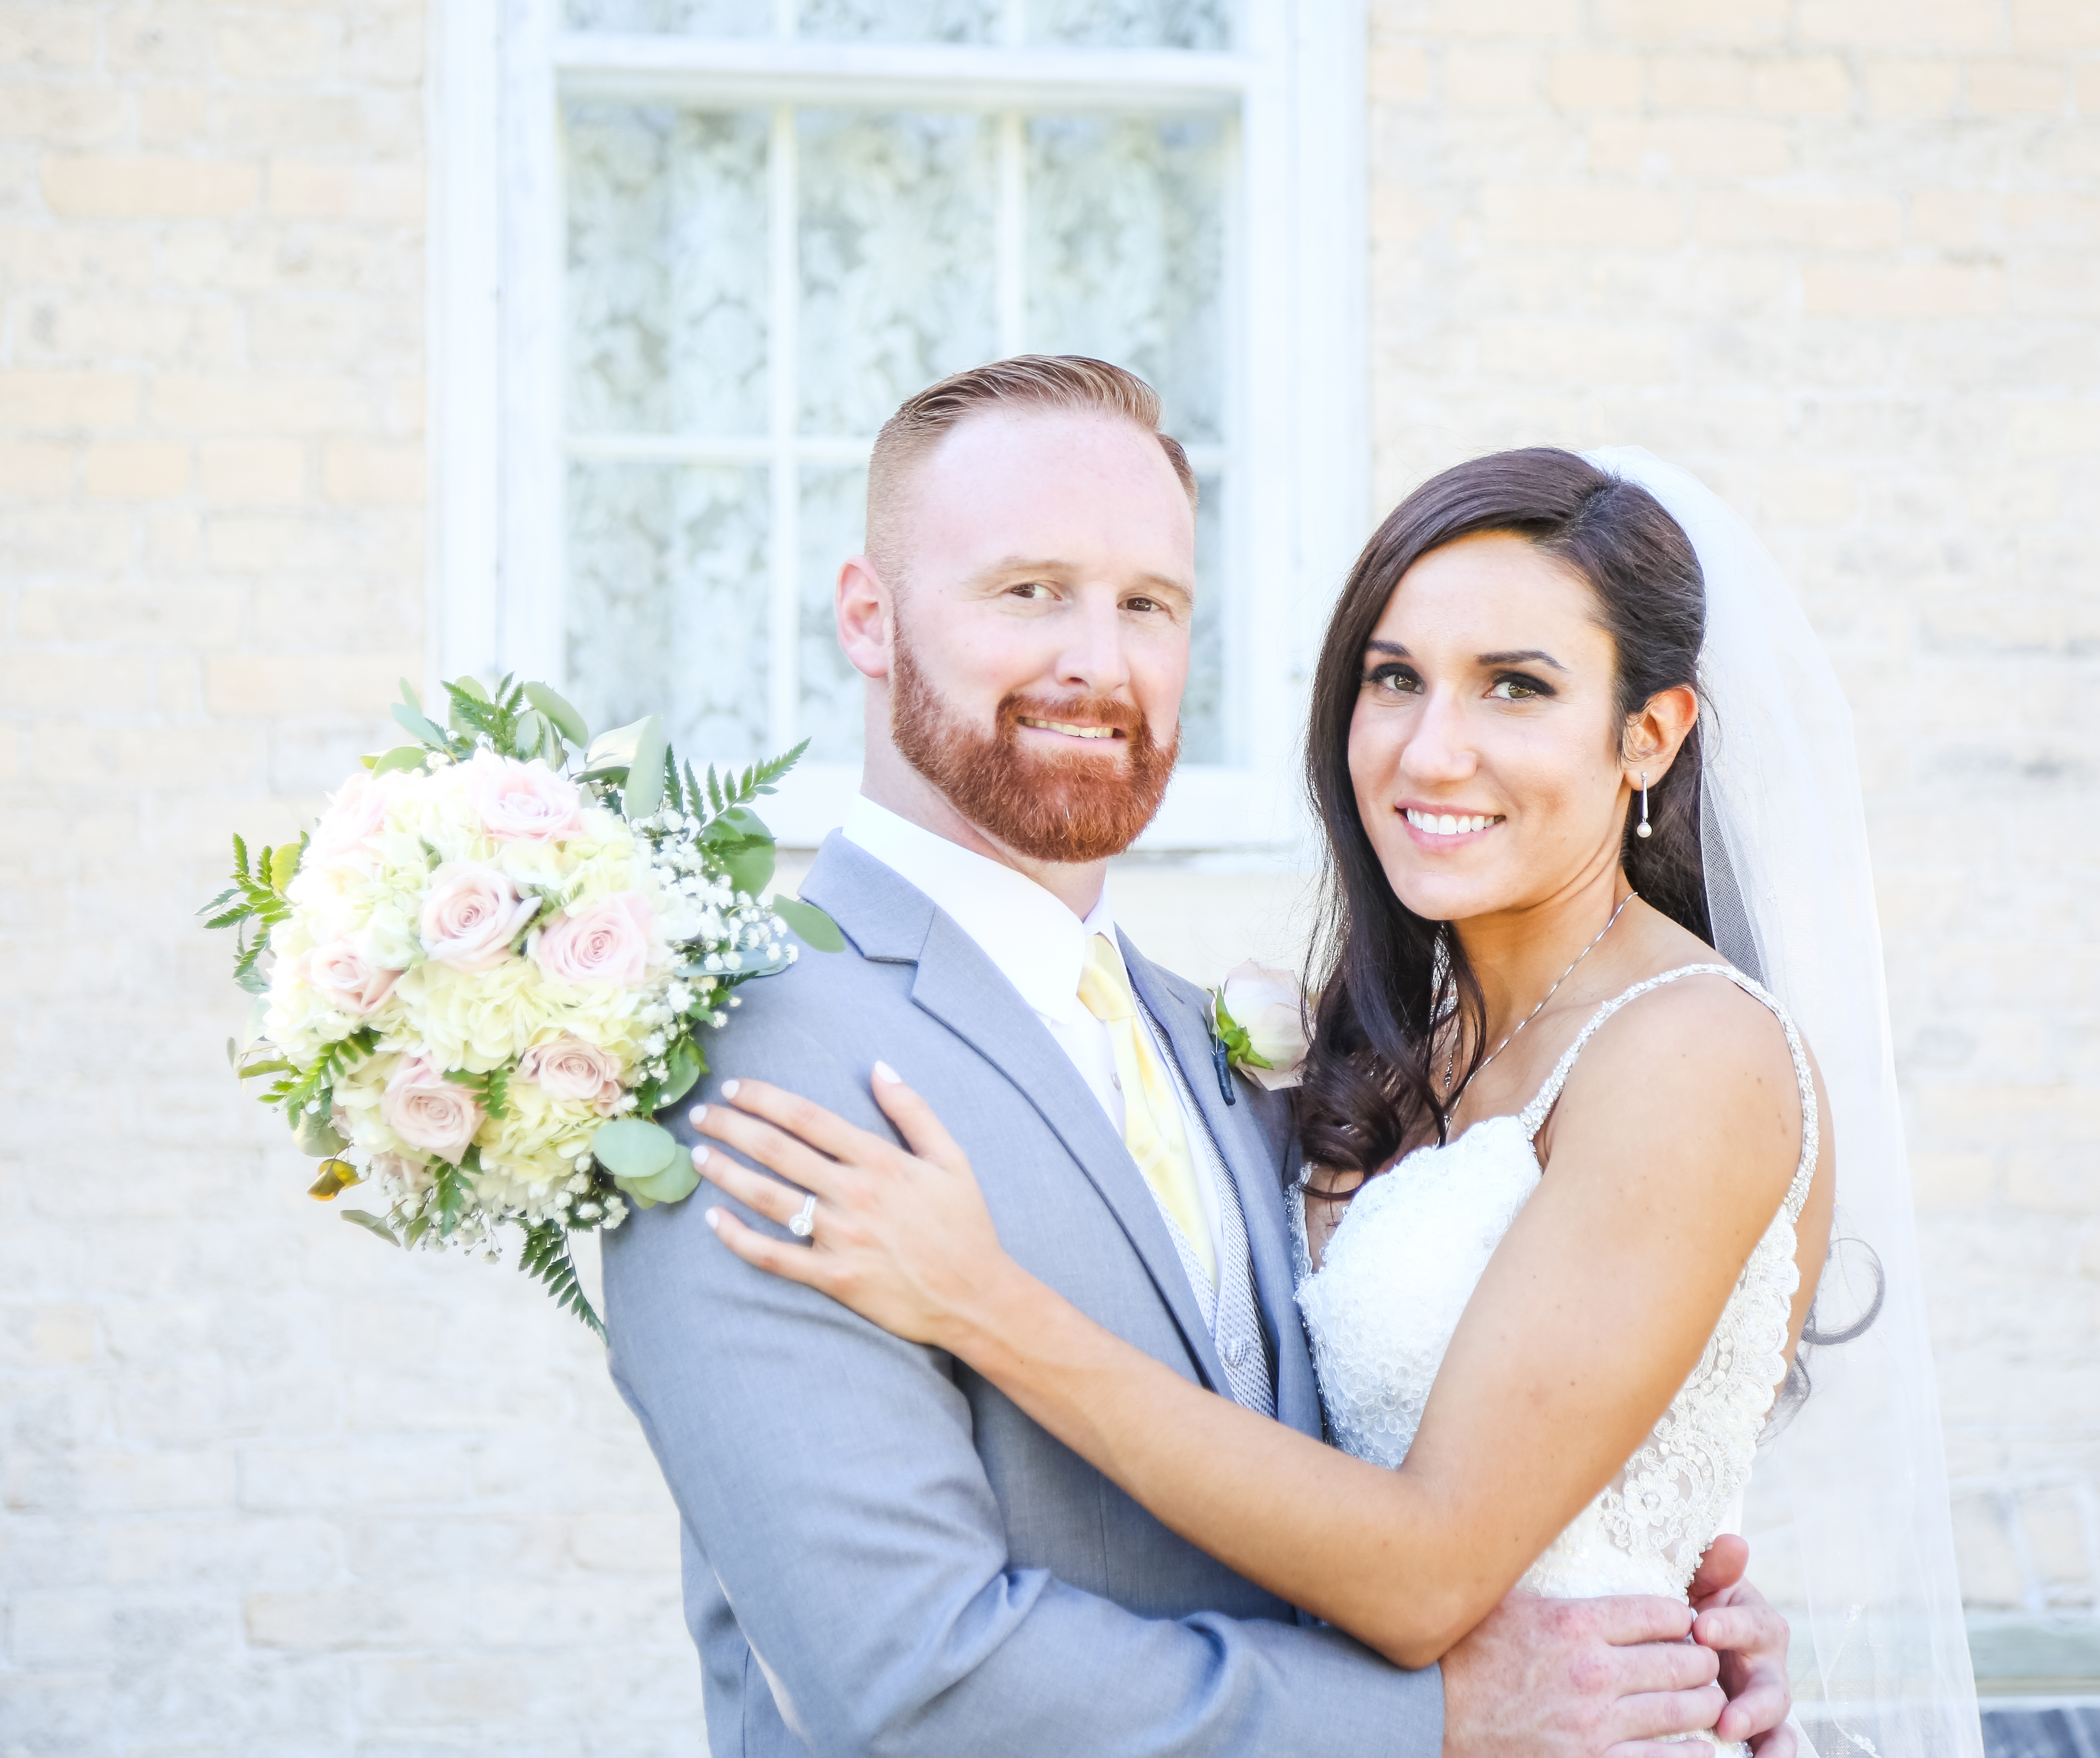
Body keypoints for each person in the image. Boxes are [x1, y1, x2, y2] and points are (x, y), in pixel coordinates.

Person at [685, 443, 1985, 1758]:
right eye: (1395, 681)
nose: (1434, 751)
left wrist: (987, 1306)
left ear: (1648, 735)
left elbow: (1428, 1572)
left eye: (1517, 689)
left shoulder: (1692, 1052)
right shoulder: (1376, 1061)